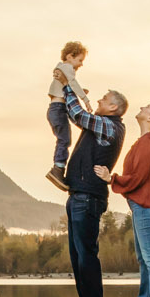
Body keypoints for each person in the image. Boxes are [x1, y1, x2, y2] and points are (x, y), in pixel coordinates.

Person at [98, 101, 150, 297]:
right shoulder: (143, 142)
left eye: (147, 107)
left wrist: (112, 179)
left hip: (146, 208)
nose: (142, 107)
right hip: (141, 207)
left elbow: (137, 177)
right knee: (143, 258)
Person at [60, 86, 127, 297]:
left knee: (86, 253)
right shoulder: (102, 124)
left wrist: (68, 87)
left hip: (88, 197)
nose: (99, 99)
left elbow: (78, 115)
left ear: (114, 107)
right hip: (80, 194)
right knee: (78, 254)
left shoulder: (110, 125)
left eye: (105, 99)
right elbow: (75, 115)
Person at [43, 41, 91, 193]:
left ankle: (60, 168)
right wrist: (85, 99)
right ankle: (58, 169)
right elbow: (73, 83)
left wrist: (79, 91)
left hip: (58, 108)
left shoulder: (62, 68)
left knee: (69, 135)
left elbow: (68, 87)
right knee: (64, 139)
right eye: (80, 60)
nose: (81, 64)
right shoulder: (66, 68)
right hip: (58, 108)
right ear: (70, 56)